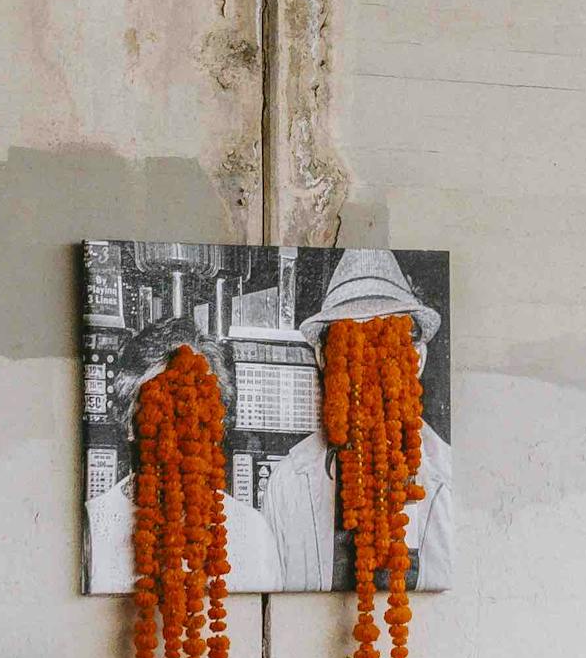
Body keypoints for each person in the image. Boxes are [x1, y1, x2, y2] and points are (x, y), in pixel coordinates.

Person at [257, 249, 454, 592]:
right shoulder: (287, 484)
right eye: (350, 345)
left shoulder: (451, 481)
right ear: (323, 359)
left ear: (417, 358)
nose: (364, 364)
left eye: (382, 342)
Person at [86, 316, 280, 593]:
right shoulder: (91, 528)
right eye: (162, 406)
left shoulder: (252, 532)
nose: (184, 426)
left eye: (201, 408)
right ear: (129, 421)